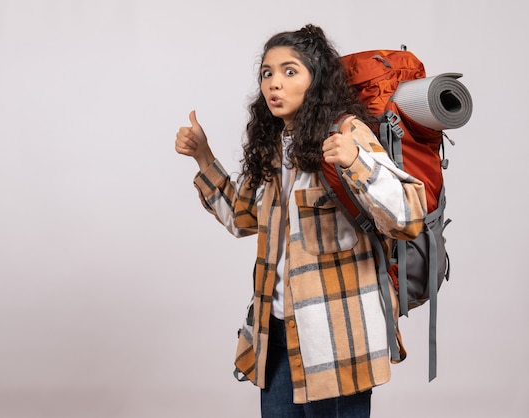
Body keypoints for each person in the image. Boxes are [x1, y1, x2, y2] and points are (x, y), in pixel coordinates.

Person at [175, 24, 427, 417]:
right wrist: (203, 157)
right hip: (275, 334)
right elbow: (243, 218)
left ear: (316, 80)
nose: (275, 83)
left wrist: (356, 161)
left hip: (337, 338)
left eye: (290, 71)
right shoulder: (276, 147)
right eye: (267, 73)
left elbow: (409, 216)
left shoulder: (347, 132)